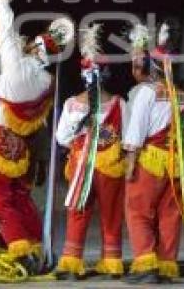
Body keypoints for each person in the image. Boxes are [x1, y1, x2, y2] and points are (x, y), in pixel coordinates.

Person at [0, 0, 73, 274]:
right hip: (19, 148)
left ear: (32, 49)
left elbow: (7, 29)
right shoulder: (46, 82)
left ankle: (20, 250)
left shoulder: (16, 67)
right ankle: (37, 245)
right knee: (20, 196)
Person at [122, 21, 184, 284]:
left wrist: (130, 163)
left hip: (150, 161)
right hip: (175, 164)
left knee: (138, 211)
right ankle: (167, 265)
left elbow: (136, 131)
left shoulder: (147, 92)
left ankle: (145, 265)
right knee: (169, 215)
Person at [54, 25, 127, 279]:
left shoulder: (73, 104)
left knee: (78, 213)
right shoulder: (120, 103)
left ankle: (72, 263)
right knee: (112, 213)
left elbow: (62, 137)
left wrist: (79, 126)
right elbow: (127, 138)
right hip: (111, 167)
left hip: (81, 165)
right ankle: (112, 261)